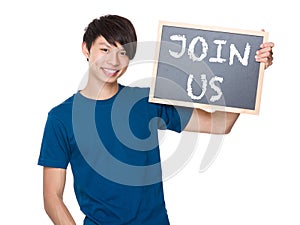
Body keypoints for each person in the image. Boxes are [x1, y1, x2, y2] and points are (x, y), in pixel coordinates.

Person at [38, 14, 274, 225]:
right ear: (86, 49)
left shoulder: (147, 100)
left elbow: (219, 124)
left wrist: (252, 71)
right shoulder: (61, 118)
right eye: (105, 49)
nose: (114, 61)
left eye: (123, 52)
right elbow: (52, 196)